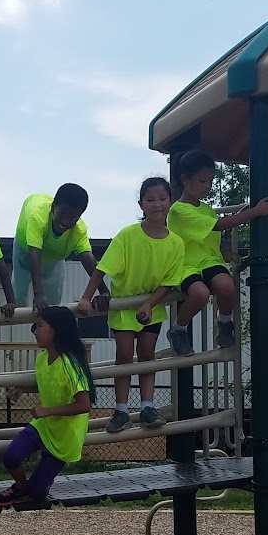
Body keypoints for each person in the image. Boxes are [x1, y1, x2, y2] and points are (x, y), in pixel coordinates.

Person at [77, 178, 186, 433]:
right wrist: (85, 297)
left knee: (147, 354)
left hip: (152, 307)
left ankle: (147, 406)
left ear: (170, 202)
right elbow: (102, 269)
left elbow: (170, 282)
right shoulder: (128, 235)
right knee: (124, 355)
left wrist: (149, 304)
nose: (157, 204)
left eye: (162, 198)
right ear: (141, 204)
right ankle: (122, 409)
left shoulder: (176, 243)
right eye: (150, 199)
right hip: (124, 306)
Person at [167, 151, 268, 353]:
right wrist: (255, 212)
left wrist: (235, 258)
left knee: (226, 285)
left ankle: (225, 324)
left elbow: (211, 243)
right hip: (185, 265)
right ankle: (178, 329)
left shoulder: (207, 209)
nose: (208, 186)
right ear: (185, 179)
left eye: (210, 181)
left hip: (209, 262)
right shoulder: (178, 210)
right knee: (200, 293)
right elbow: (219, 225)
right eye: (203, 181)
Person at [0, 306, 93, 506]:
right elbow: (50, 384)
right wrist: (22, 389)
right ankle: (21, 486)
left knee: (36, 495)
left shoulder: (69, 364)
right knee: (11, 457)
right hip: (44, 426)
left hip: (65, 436)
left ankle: (28, 490)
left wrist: (48, 411)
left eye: (39, 326)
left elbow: (84, 405)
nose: (34, 331)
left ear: (57, 330)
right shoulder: (42, 359)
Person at [13, 184, 97, 312]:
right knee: (18, 294)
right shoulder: (38, 217)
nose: (65, 222)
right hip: (25, 250)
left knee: (53, 302)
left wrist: (103, 291)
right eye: (62, 213)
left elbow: (87, 258)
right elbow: (34, 255)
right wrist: (38, 294)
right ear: (53, 208)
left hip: (54, 255)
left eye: (73, 217)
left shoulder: (79, 230)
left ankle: (45, 326)